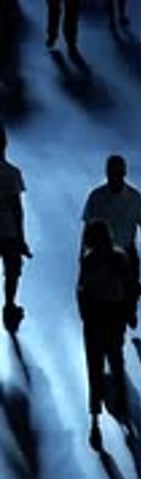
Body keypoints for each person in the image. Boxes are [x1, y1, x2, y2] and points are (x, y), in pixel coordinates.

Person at [77, 218, 139, 450]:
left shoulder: (92, 260)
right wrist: (129, 311)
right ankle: (116, 402)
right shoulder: (118, 258)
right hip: (111, 313)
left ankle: (96, 417)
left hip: (100, 314)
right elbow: (130, 287)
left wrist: (85, 314)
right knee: (113, 357)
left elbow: (82, 289)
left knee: (99, 362)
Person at [81, 154, 141, 288]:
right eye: (112, 172)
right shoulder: (96, 197)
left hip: (126, 251)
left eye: (117, 173)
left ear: (124, 173)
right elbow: (87, 227)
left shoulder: (134, 198)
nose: (115, 177)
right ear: (106, 173)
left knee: (129, 294)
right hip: (100, 255)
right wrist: (82, 253)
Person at [0, 123, 31, 333]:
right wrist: (22, 238)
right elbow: (17, 208)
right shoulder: (12, 173)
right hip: (7, 230)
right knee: (12, 271)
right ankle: (9, 306)